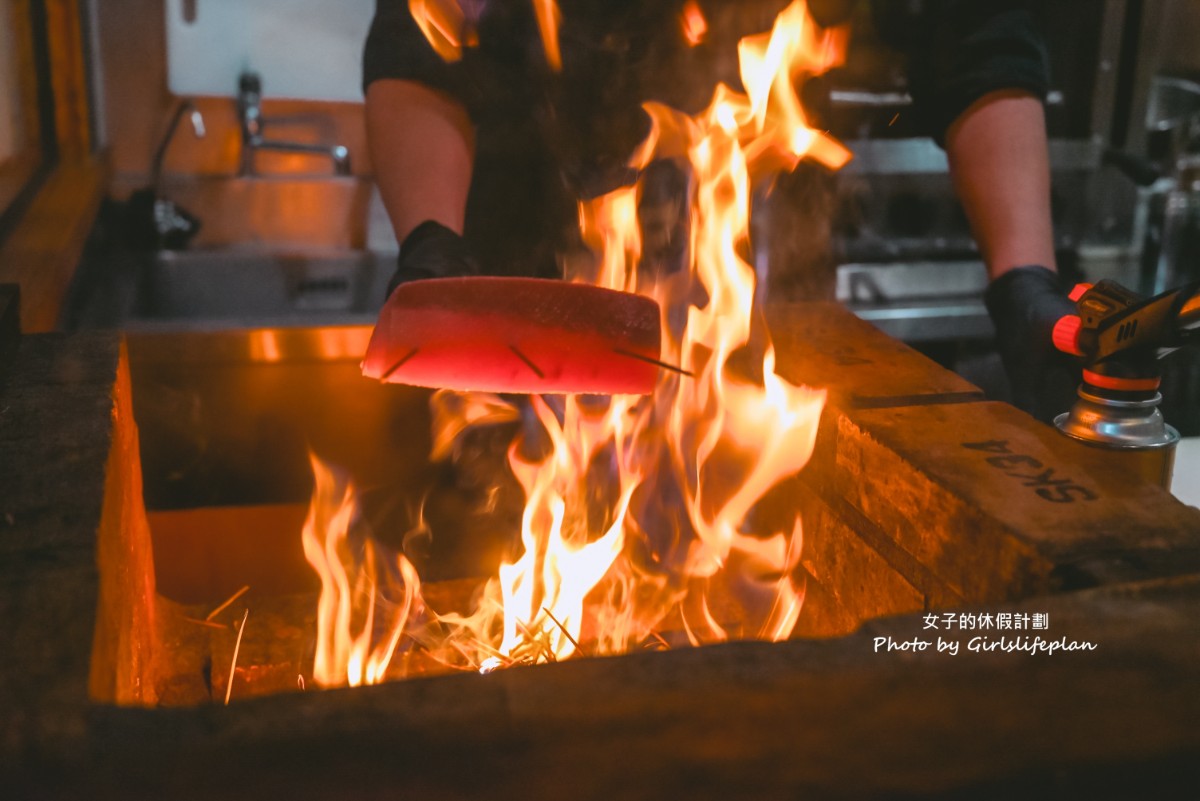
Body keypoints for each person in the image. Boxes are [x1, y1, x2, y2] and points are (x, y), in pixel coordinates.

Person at [362, 0, 1077, 421]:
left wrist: (1024, 278)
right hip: (520, 315)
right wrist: (432, 241)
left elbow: (982, 40)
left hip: (767, 316)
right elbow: (422, 40)